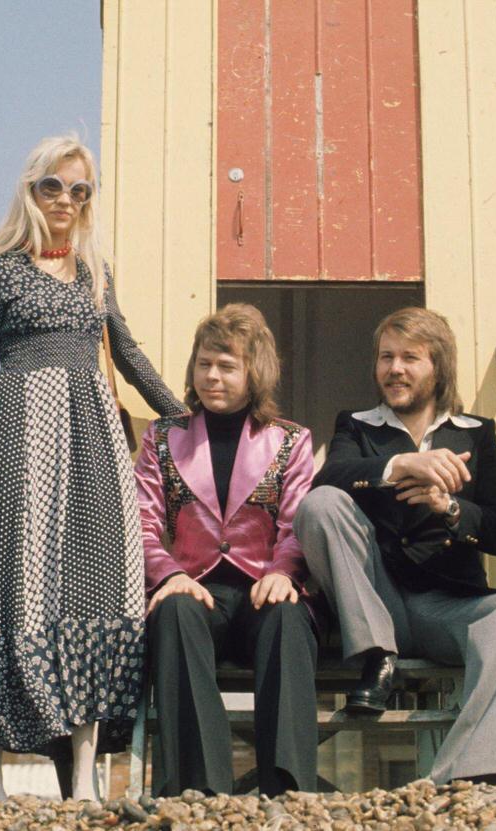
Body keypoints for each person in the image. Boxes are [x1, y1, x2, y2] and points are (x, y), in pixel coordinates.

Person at [0, 135, 185, 801]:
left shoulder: (94, 272)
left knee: (93, 588)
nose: (65, 200)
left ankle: (84, 774)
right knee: (6, 590)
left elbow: (130, 355)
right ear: (32, 189)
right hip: (16, 440)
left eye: (79, 190)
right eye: (54, 186)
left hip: (91, 441)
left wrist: (186, 423)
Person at [294, 307, 496, 785]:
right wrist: (400, 464)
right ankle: (377, 655)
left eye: (410, 357)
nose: (395, 369)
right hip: (373, 602)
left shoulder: (476, 433)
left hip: (443, 606)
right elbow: (329, 477)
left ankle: (472, 774)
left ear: (439, 367)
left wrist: (446, 506)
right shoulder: (356, 425)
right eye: (386, 357)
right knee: (320, 503)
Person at [135, 304, 318, 797]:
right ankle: (200, 791)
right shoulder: (162, 436)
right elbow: (143, 523)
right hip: (197, 591)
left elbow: (298, 522)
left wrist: (284, 571)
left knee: (287, 614)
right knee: (172, 612)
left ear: (253, 372)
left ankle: (288, 787)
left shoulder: (292, 439)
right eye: (204, 364)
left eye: (227, 366)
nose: (212, 376)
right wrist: (170, 575)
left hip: (265, 587)